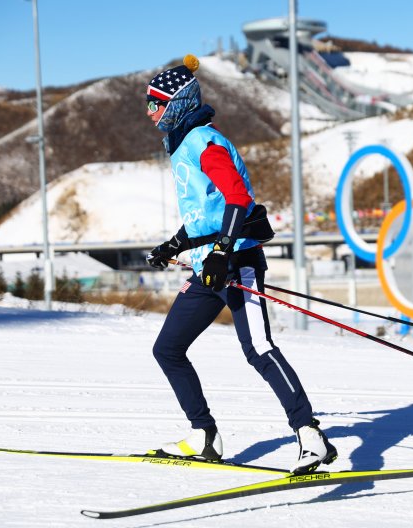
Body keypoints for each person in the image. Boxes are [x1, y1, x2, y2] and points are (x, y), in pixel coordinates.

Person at [143, 55, 336, 475]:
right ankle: (204, 437)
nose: (150, 112)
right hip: (209, 268)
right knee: (168, 349)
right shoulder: (183, 146)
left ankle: (310, 436)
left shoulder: (205, 143)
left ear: (176, 103)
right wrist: (173, 245)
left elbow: (237, 199)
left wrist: (222, 251)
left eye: (156, 103)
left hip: (237, 262)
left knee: (259, 349)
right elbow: (205, 213)